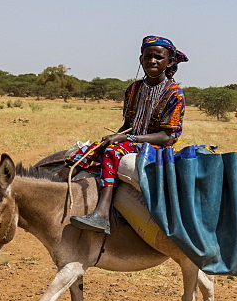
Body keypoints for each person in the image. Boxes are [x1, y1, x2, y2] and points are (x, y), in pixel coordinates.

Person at [68, 36, 188, 234]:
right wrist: (113, 137)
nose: (152, 61)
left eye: (159, 57)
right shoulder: (133, 90)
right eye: (147, 56)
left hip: (156, 147)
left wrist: (126, 139)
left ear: (170, 62)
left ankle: (102, 213)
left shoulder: (174, 93)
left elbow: (167, 136)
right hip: (130, 141)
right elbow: (128, 125)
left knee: (113, 152)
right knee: (86, 152)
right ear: (140, 59)